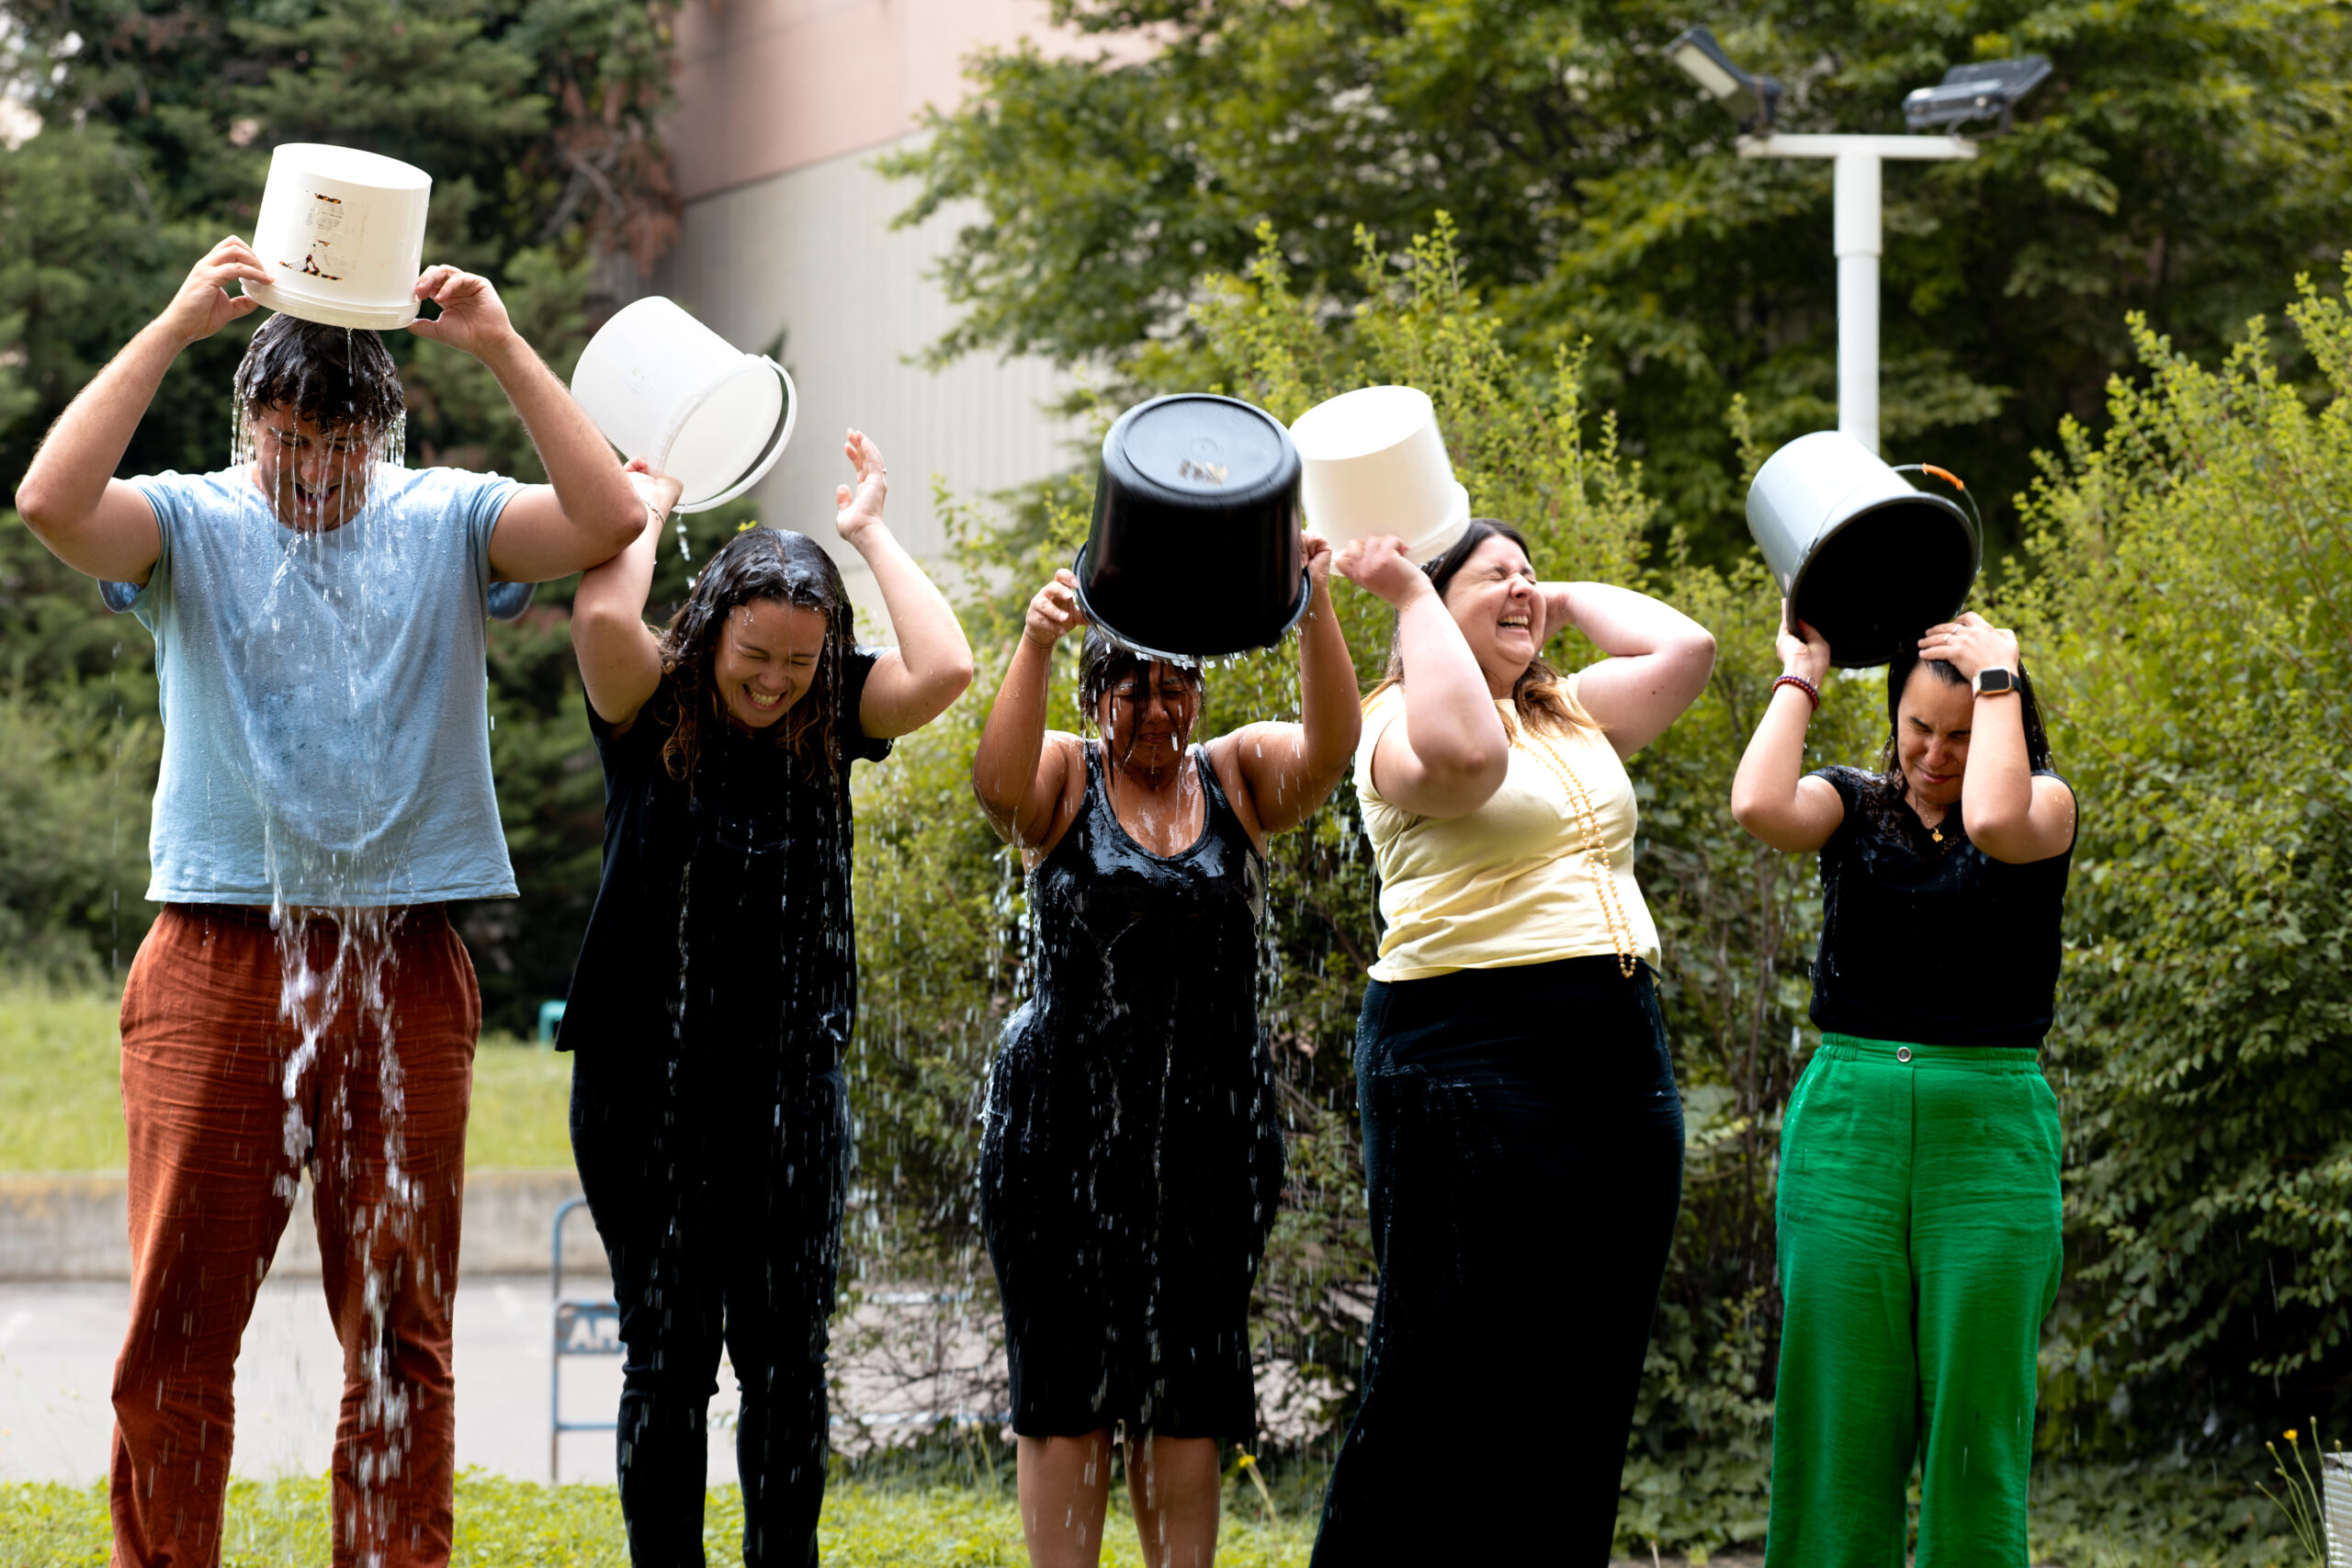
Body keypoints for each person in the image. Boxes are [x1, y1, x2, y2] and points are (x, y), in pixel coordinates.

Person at [12, 236, 647, 1567]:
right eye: (288, 438)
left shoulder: (453, 520)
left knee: (403, 1333)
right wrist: (179, 320)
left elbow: (608, 520)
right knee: (178, 1331)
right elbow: (52, 503)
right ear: (252, 421)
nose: (311, 471)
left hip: (406, 957)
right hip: (215, 952)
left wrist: (500, 342)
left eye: (339, 445)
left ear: (384, 435)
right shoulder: (188, 518)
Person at [561, 430, 972, 1566]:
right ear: (710, 630)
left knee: (790, 1357)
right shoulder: (651, 700)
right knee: (669, 1356)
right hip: (644, 1085)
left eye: (800, 659)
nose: (774, 679)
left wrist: (871, 532)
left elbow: (943, 669)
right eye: (757, 653)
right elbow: (601, 622)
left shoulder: (833, 715)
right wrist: (643, 506)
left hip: (794, 1086)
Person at [1312, 522, 1716, 1566]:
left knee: (1588, 1369)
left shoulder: (1568, 714)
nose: (1523, 589)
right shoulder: (1390, 722)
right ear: (1430, 607)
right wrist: (1412, 594)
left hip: (1620, 1051)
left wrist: (1543, 597)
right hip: (1465, 1051)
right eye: (1494, 577)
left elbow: (1687, 651)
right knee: (1438, 1373)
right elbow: (1465, 759)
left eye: (1529, 573)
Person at [969, 537, 1358, 1568]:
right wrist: (1037, 644)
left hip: (1212, 1135)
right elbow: (996, 790)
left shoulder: (1235, 775)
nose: (1153, 713)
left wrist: (1313, 603)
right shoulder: (1061, 775)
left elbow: (1332, 750)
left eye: (1172, 687)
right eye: (1128, 690)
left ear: (1197, 687)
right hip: (1057, 1134)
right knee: (1065, 1393)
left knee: (1188, 1388)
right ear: (1095, 695)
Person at [1728, 607, 2075, 1568]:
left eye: (1960, 735)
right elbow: (1758, 805)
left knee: (1975, 1423)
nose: (1932, 752)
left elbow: (1993, 819)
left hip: (1990, 1135)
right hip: (1848, 1128)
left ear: (2007, 718)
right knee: (1838, 1413)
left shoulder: (2042, 805)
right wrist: (1801, 672)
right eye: (1918, 728)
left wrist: (1996, 667)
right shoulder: (1850, 802)